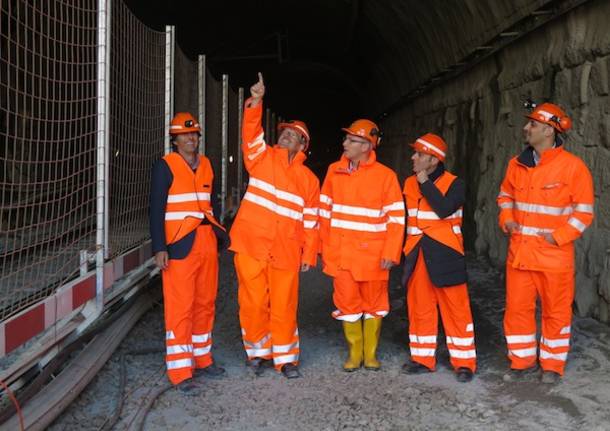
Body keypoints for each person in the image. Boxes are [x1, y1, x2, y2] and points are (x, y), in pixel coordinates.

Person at [230, 73, 320, 379]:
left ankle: (286, 358)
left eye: (292, 135)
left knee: (284, 305)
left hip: (285, 251)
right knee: (253, 302)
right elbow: (250, 135)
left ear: (303, 144)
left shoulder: (309, 180)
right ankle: (257, 353)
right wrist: (256, 101)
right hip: (251, 245)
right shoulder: (261, 157)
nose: (285, 136)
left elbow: (311, 221)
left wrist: (309, 254)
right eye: (283, 133)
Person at [497, 102, 594, 384]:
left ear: (550, 131)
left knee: (556, 311)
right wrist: (507, 219)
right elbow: (504, 196)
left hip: (554, 256)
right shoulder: (516, 165)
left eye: (533, 125)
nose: (526, 128)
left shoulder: (573, 168)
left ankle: (551, 365)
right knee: (517, 309)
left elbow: (584, 212)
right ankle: (521, 360)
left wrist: (558, 237)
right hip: (521, 254)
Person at [149, 112, 226, 395]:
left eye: (194, 134)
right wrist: (159, 247)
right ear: (175, 139)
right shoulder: (165, 166)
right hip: (179, 244)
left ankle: (203, 359)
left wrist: (218, 236)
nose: (191, 139)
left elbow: (212, 202)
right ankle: (181, 371)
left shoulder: (206, 164)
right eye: (185, 135)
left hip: (205, 242)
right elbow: (156, 209)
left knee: (205, 302)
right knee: (180, 307)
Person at [319, 119, 405, 371]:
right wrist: (324, 248)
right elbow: (324, 213)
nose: (345, 143)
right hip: (342, 255)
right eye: (346, 139)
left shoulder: (386, 177)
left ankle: (370, 355)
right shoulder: (334, 171)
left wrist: (391, 252)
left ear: (367, 145)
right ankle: (355, 353)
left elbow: (396, 219)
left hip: (374, 256)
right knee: (347, 305)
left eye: (352, 140)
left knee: (375, 306)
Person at [401, 133, 476, 383]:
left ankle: (464, 362)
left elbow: (444, 210)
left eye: (419, 154)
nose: (413, 157)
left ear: (433, 159)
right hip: (417, 252)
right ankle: (422, 358)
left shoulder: (455, 184)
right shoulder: (407, 183)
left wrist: (423, 181)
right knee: (419, 307)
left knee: (456, 309)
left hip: (446, 253)